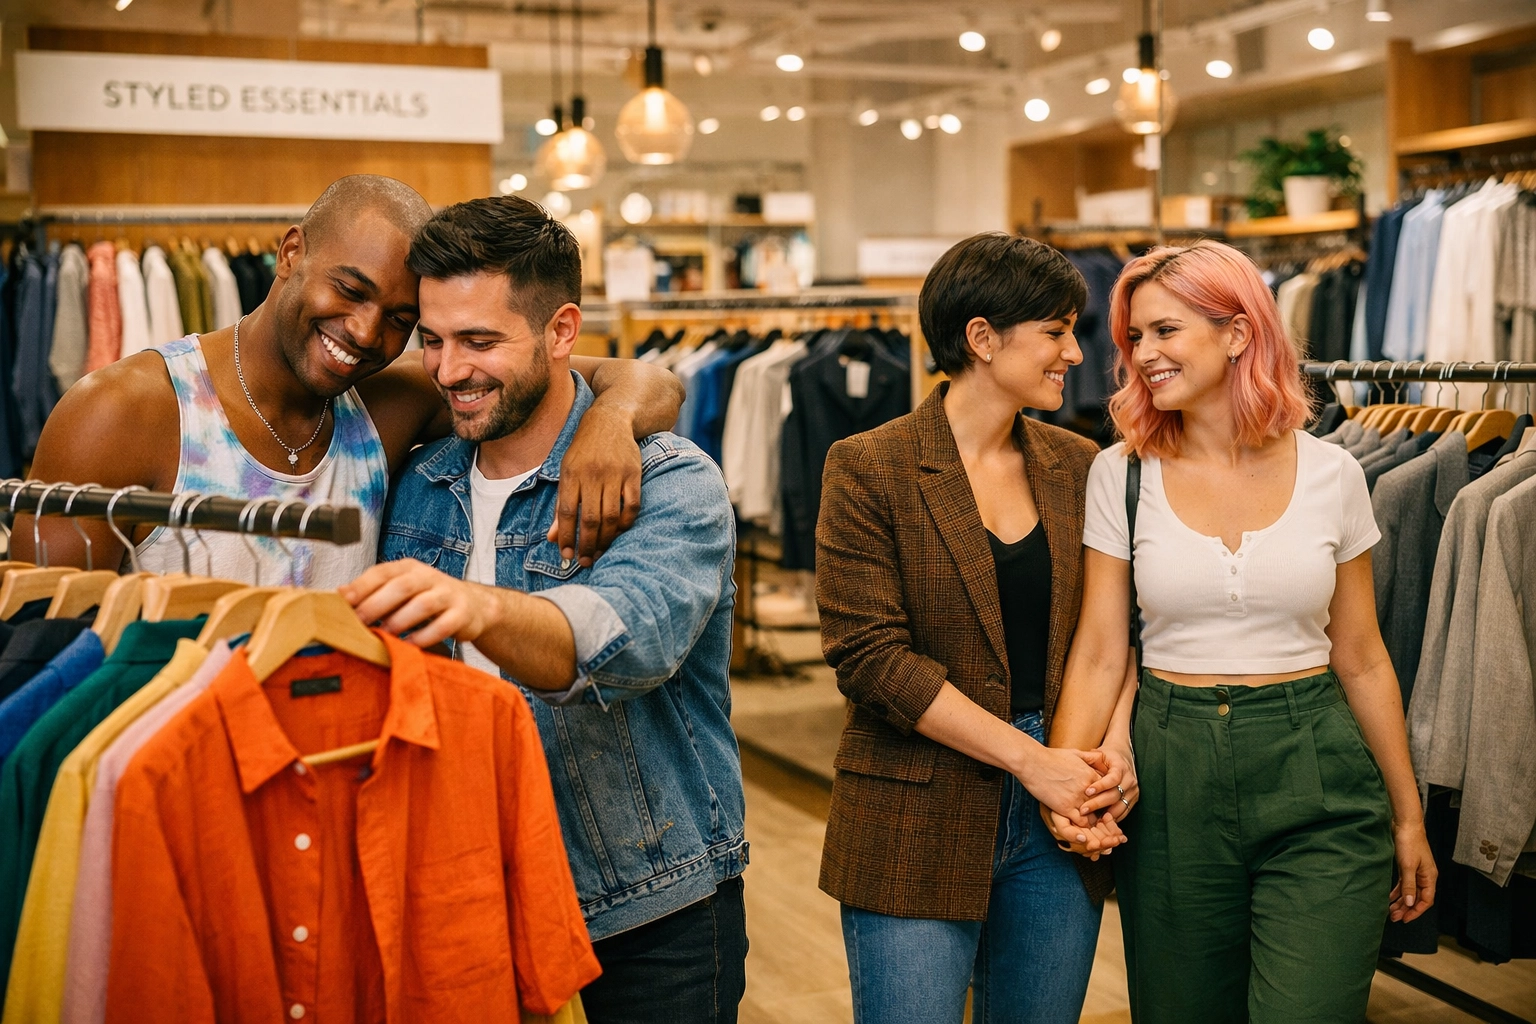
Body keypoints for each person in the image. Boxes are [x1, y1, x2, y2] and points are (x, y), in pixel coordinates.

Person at [339, 196, 747, 1024]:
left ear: (562, 331)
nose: (449, 371)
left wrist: (472, 606)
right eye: (434, 340)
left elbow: (616, 641)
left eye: (481, 342)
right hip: (474, 894)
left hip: (647, 910)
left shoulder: (671, 482)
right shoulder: (418, 484)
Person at [1047, 240, 1437, 1022]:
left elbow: (1361, 658)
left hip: (1318, 769)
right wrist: (1065, 782)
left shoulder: (1334, 474)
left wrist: (1407, 815)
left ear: (1236, 332)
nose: (1141, 356)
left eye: (1164, 331)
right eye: (1134, 339)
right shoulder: (1119, 474)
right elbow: (1099, 649)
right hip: (1171, 775)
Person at [20, 175, 682, 581]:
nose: (367, 333)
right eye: (349, 290)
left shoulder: (382, 406)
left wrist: (610, 422)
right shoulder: (125, 413)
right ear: (290, 253)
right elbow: (35, 642)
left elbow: (638, 376)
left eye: (399, 317)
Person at [814, 233, 1123, 1024]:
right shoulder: (868, 465)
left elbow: (1118, 631)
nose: (1072, 354)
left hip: (1060, 811)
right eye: (1054, 332)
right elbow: (871, 659)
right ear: (982, 338)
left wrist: (1108, 754)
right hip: (915, 807)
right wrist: (1034, 763)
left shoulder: (1080, 463)